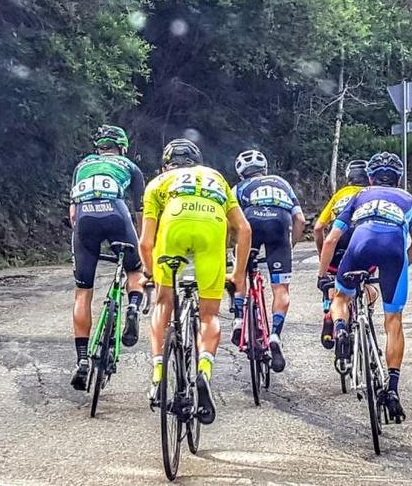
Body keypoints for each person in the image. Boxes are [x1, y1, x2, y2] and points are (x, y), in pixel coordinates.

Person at [140, 138, 251, 425]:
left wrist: (151, 274)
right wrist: (238, 275)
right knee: (209, 314)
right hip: (212, 233)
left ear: (167, 164)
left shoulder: (158, 183)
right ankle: (203, 370)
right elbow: (243, 228)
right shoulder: (216, 178)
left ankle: (158, 374)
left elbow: (145, 242)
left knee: (164, 303)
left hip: (174, 228)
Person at [316, 152, 412, 422]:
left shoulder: (359, 196)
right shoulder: (409, 199)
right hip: (393, 253)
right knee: (393, 322)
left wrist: (322, 276)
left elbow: (330, 239)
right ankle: (393, 390)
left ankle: (341, 329)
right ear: (398, 178)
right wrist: (402, 265)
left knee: (341, 297)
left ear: (371, 177)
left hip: (359, 246)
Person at [69, 125, 147, 390]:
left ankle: (82, 359)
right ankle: (134, 307)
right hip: (116, 212)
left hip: (85, 218)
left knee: (83, 292)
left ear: (98, 148)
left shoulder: (82, 165)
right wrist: (140, 243)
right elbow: (140, 212)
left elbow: (72, 214)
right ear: (122, 147)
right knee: (135, 271)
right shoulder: (129, 166)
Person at [230, 150, 304, 373]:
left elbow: (231, 221)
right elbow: (300, 219)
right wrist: (289, 246)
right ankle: (274, 334)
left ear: (241, 172)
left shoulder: (239, 188)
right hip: (280, 226)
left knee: (240, 271)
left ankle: (239, 318)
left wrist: (233, 249)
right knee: (280, 287)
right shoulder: (282, 183)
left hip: (251, 221)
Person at [313, 159, 369, 349]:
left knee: (332, 282)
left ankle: (330, 315)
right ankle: (365, 314)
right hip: (364, 240)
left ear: (349, 177)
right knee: (367, 278)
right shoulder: (371, 193)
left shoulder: (340, 195)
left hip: (339, 242)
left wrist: (323, 255)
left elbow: (318, 227)